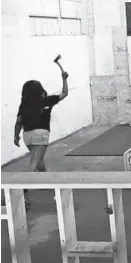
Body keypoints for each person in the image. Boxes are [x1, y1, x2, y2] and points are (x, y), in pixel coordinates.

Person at [14, 70, 69, 210]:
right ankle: (21, 193)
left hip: (27, 136)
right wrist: (64, 79)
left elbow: (18, 122)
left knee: (39, 160)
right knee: (34, 163)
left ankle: (44, 181)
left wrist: (16, 136)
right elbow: (64, 93)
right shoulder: (46, 100)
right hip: (41, 135)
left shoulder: (24, 105)